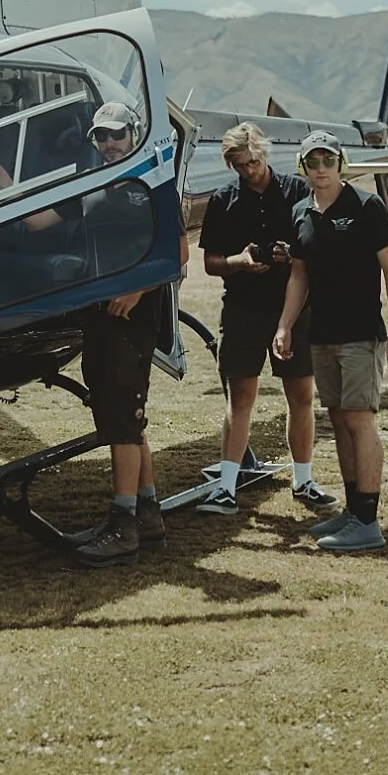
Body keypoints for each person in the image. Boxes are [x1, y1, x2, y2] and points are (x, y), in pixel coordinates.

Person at [70, 101, 189, 568]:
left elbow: (178, 253)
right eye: (101, 136)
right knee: (122, 419)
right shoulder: (91, 185)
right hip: (98, 318)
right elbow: (44, 223)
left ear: (134, 135)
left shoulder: (154, 185)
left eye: (117, 134)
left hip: (133, 321)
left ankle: (123, 528)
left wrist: (138, 291)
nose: (109, 143)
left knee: (123, 419)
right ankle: (148, 513)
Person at [195, 122, 335, 516]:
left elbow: (320, 249)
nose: (250, 171)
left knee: (301, 397)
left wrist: (291, 255)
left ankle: (303, 480)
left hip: (294, 310)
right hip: (242, 310)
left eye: (253, 162)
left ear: (264, 153)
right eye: (240, 165)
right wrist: (238, 261)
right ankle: (226, 488)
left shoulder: (298, 192)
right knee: (240, 398)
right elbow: (211, 263)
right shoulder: (223, 200)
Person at [273, 130, 388, 552]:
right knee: (340, 418)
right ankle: (353, 509)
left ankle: (368, 522)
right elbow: (299, 275)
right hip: (322, 334)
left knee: (359, 420)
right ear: (303, 168)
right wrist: (285, 325)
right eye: (313, 162)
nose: (321, 169)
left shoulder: (366, 206)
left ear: (341, 163)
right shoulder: (300, 212)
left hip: (361, 333)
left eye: (328, 160)